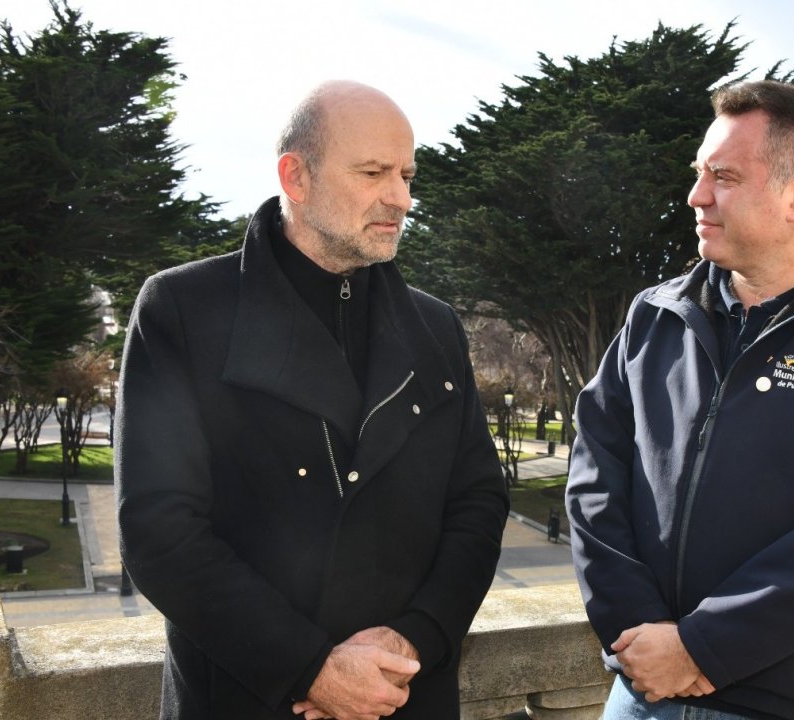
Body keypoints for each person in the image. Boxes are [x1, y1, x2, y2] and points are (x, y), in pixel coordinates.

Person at [116, 80, 509, 720]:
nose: (402, 198)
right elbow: (158, 531)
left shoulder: (436, 327)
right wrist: (310, 669)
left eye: (407, 175)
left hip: (405, 692)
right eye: (374, 173)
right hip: (246, 700)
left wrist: (415, 637)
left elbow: (479, 502)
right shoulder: (182, 309)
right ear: (295, 177)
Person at [566, 79, 794, 720]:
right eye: (699, 173)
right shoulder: (655, 315)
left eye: (724, 177)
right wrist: (638, 631)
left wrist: (702, 647)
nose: (697, 195)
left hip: (782, 703)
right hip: (641, 689)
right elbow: (594, 477)